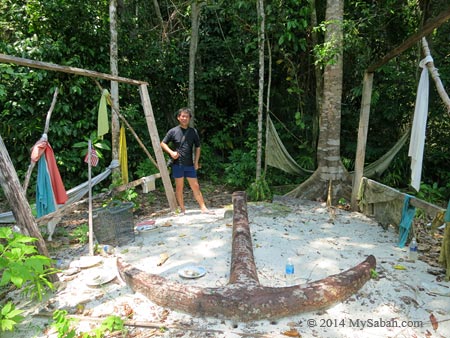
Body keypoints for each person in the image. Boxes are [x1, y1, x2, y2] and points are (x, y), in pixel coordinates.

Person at [161, 107, 212, 215]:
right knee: (179, 187)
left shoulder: (193, 132)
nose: (184, 118)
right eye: (182, 116)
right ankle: (182, 209)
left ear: (189, 118)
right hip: (177, 164)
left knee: (195, 186)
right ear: (178, 117)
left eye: (187, 116)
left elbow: (198, 147)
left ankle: (203, 208)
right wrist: (171, 152)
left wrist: (196, 162)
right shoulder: (173, 131)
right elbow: (163, 143)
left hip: (189, 165)